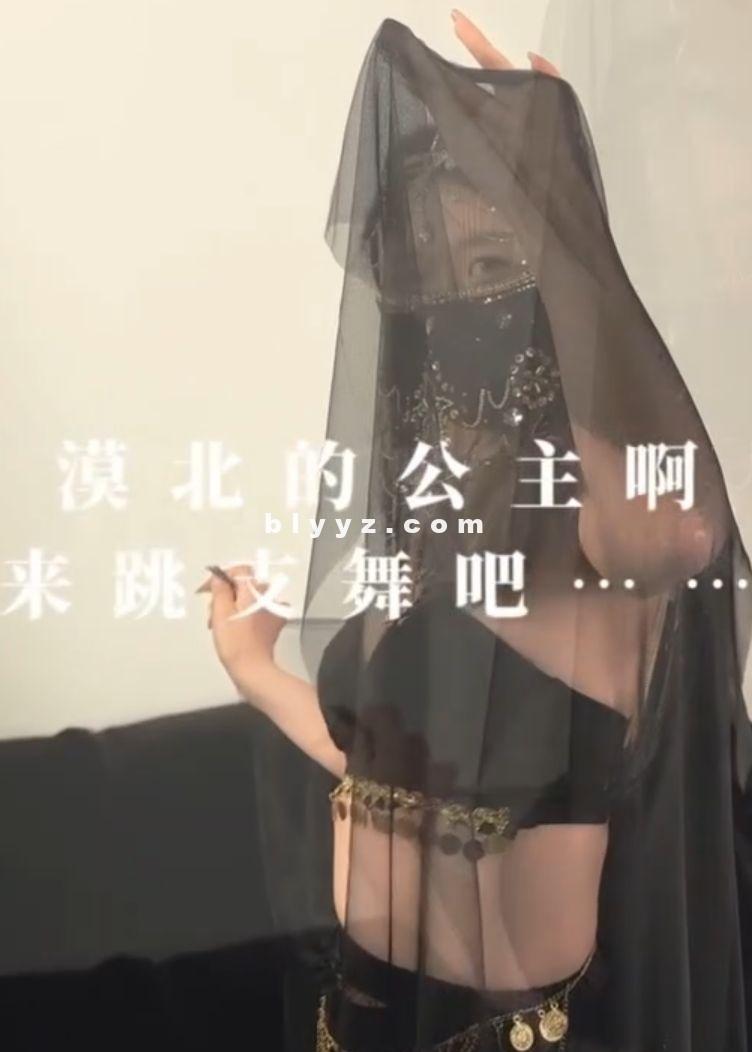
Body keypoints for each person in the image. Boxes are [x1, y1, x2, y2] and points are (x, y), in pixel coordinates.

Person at [198, 13, 752, 1051]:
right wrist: (256, 670)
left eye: (496, 260)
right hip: (352, 1020)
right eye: (433, 270)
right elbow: (388, 774)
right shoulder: (435, 530)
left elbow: (680, 536)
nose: (460, 302)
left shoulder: (602, 528)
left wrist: (555, 207)